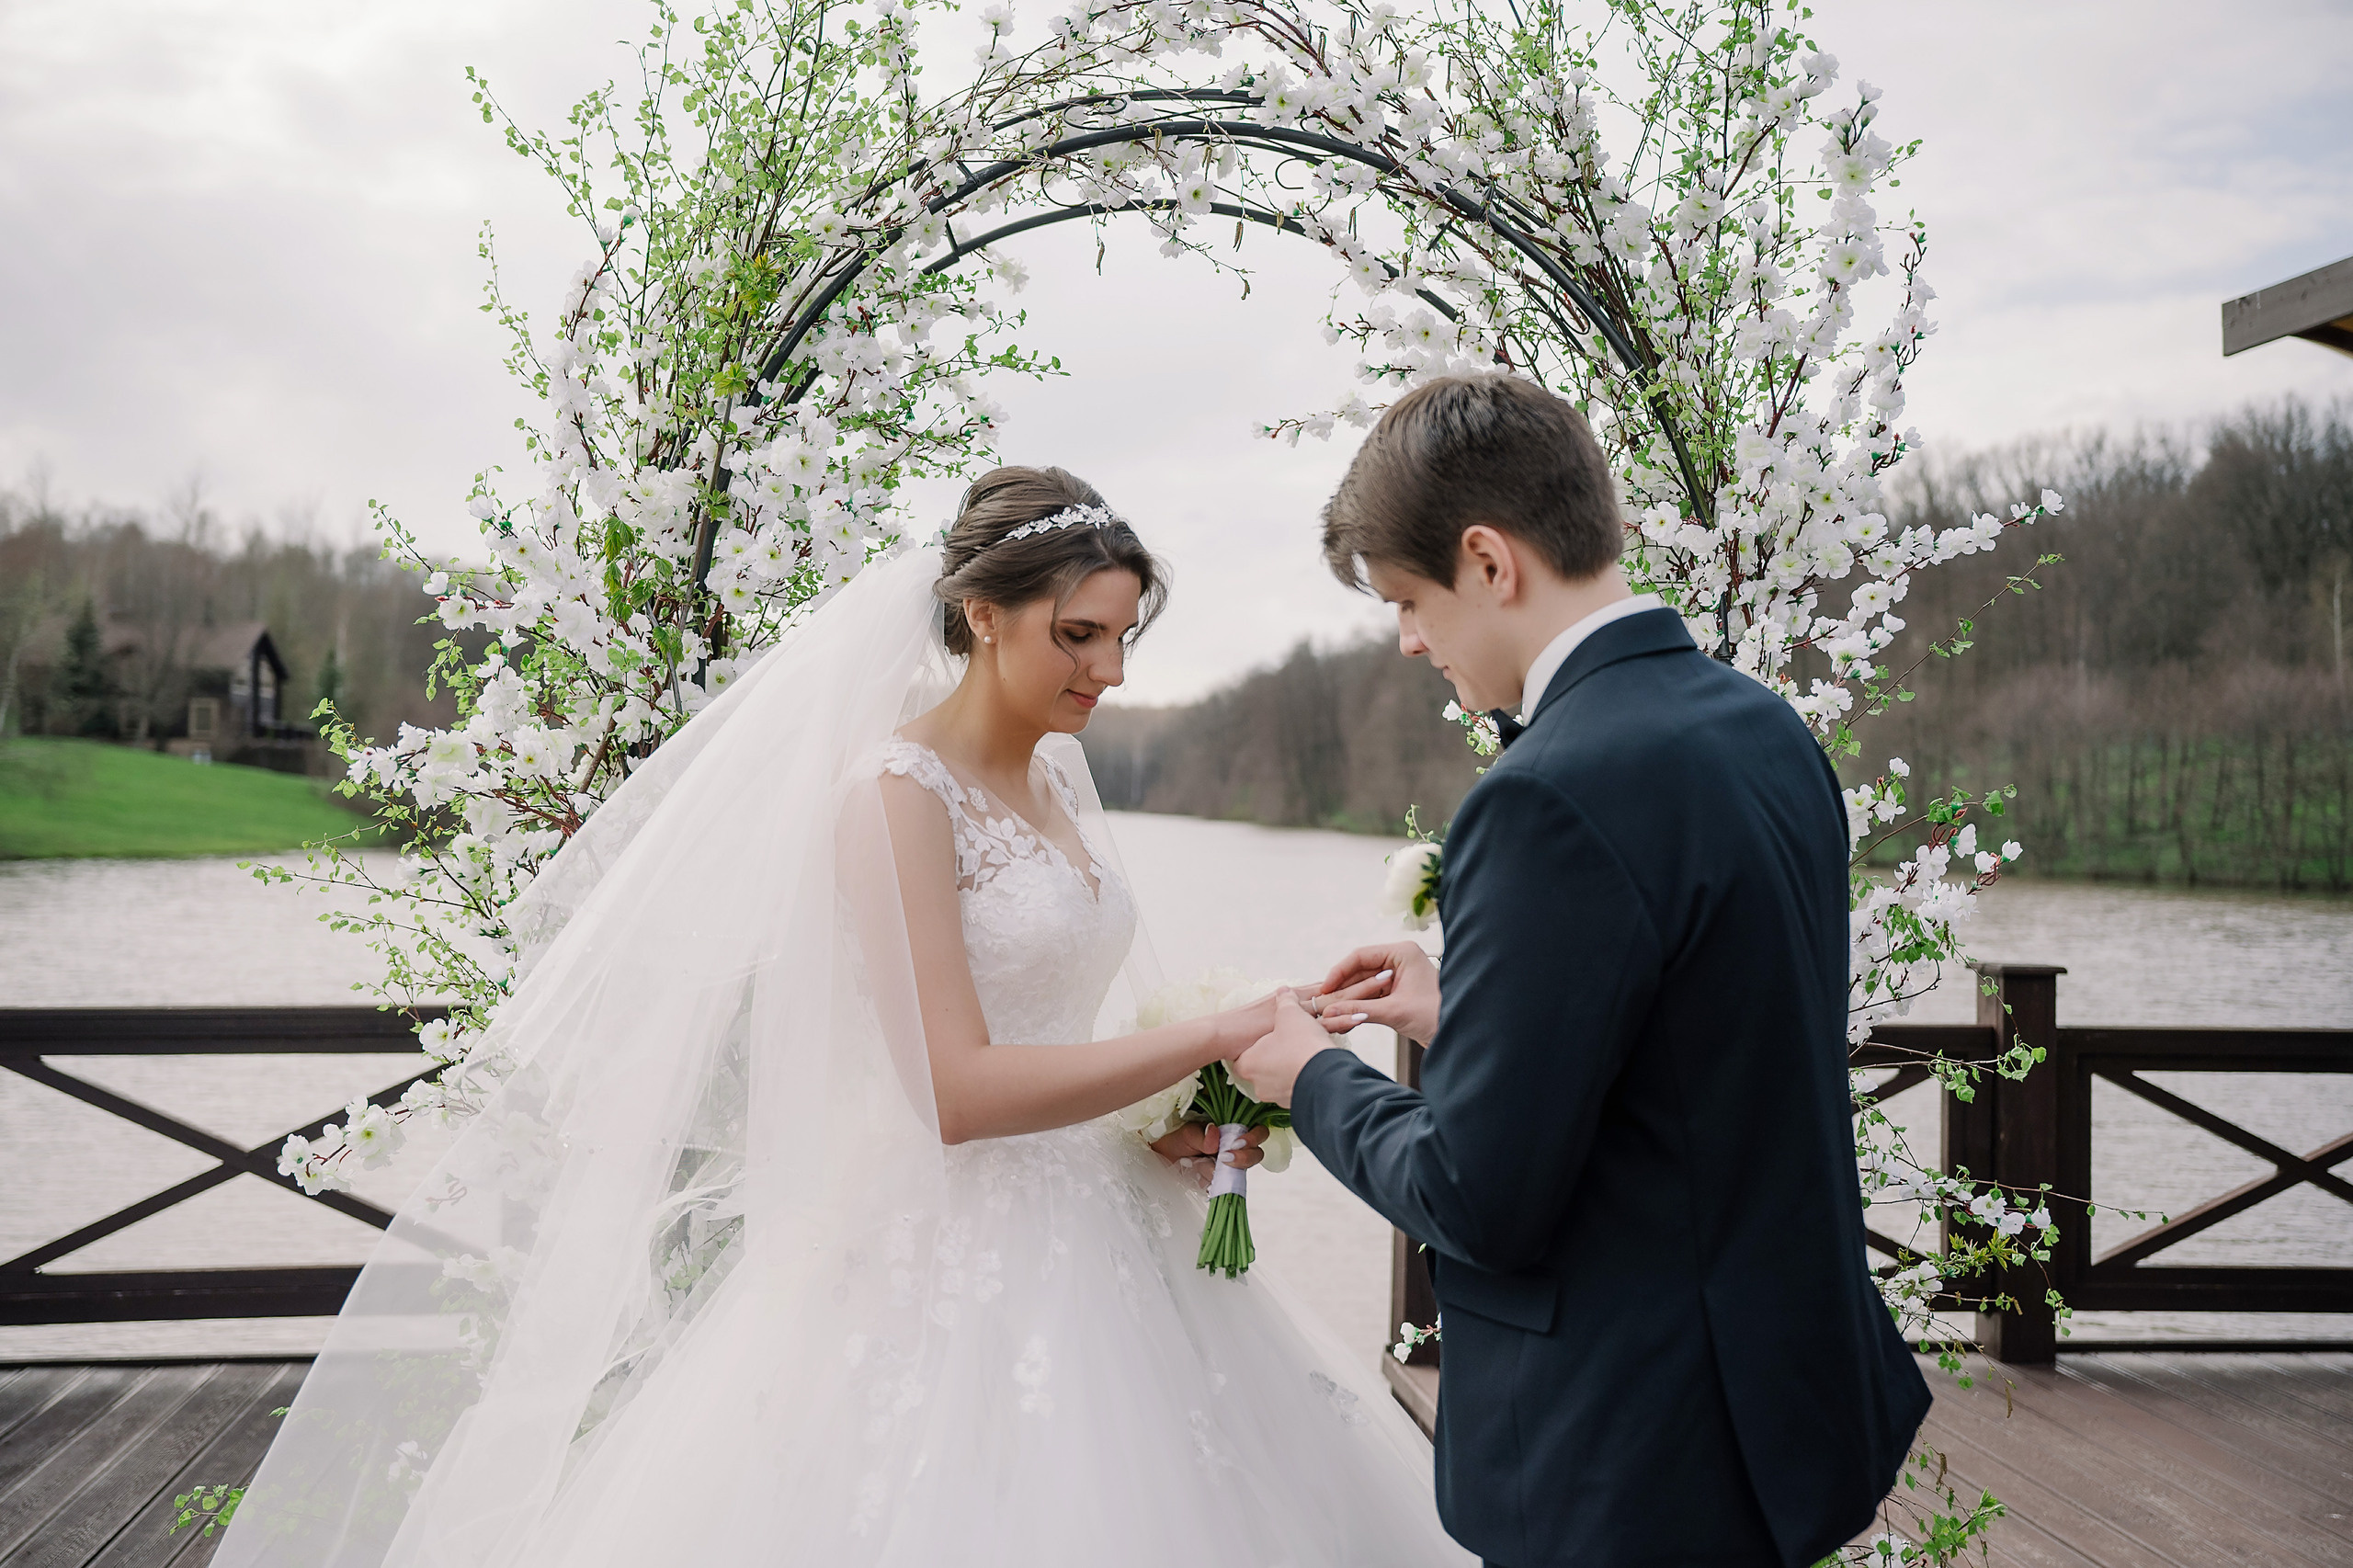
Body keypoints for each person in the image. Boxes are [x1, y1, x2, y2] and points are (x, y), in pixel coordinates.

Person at [214, 466, 1473, 1568]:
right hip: (927, 1252)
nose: (1111, 669)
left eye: (1125, 637)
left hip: (1105, 1225)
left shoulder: (1053, 774)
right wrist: (1213, 1033)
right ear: (983, 613)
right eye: (1079, 634)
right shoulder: (892, 795)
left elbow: (1059, 1027)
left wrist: (1166, 1117)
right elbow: (954, 1089)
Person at [1233, 375, 1932, 1568]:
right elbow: (1710, 1054)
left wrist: (1305, 1076)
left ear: (1489, 561)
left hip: (1629, 1456)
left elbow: (1477, 1195)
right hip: (1772, 1414)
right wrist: (1463, 1011)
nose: (1409, 639)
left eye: (1409, 599)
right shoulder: (1764, 730)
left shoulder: (1546, 793)